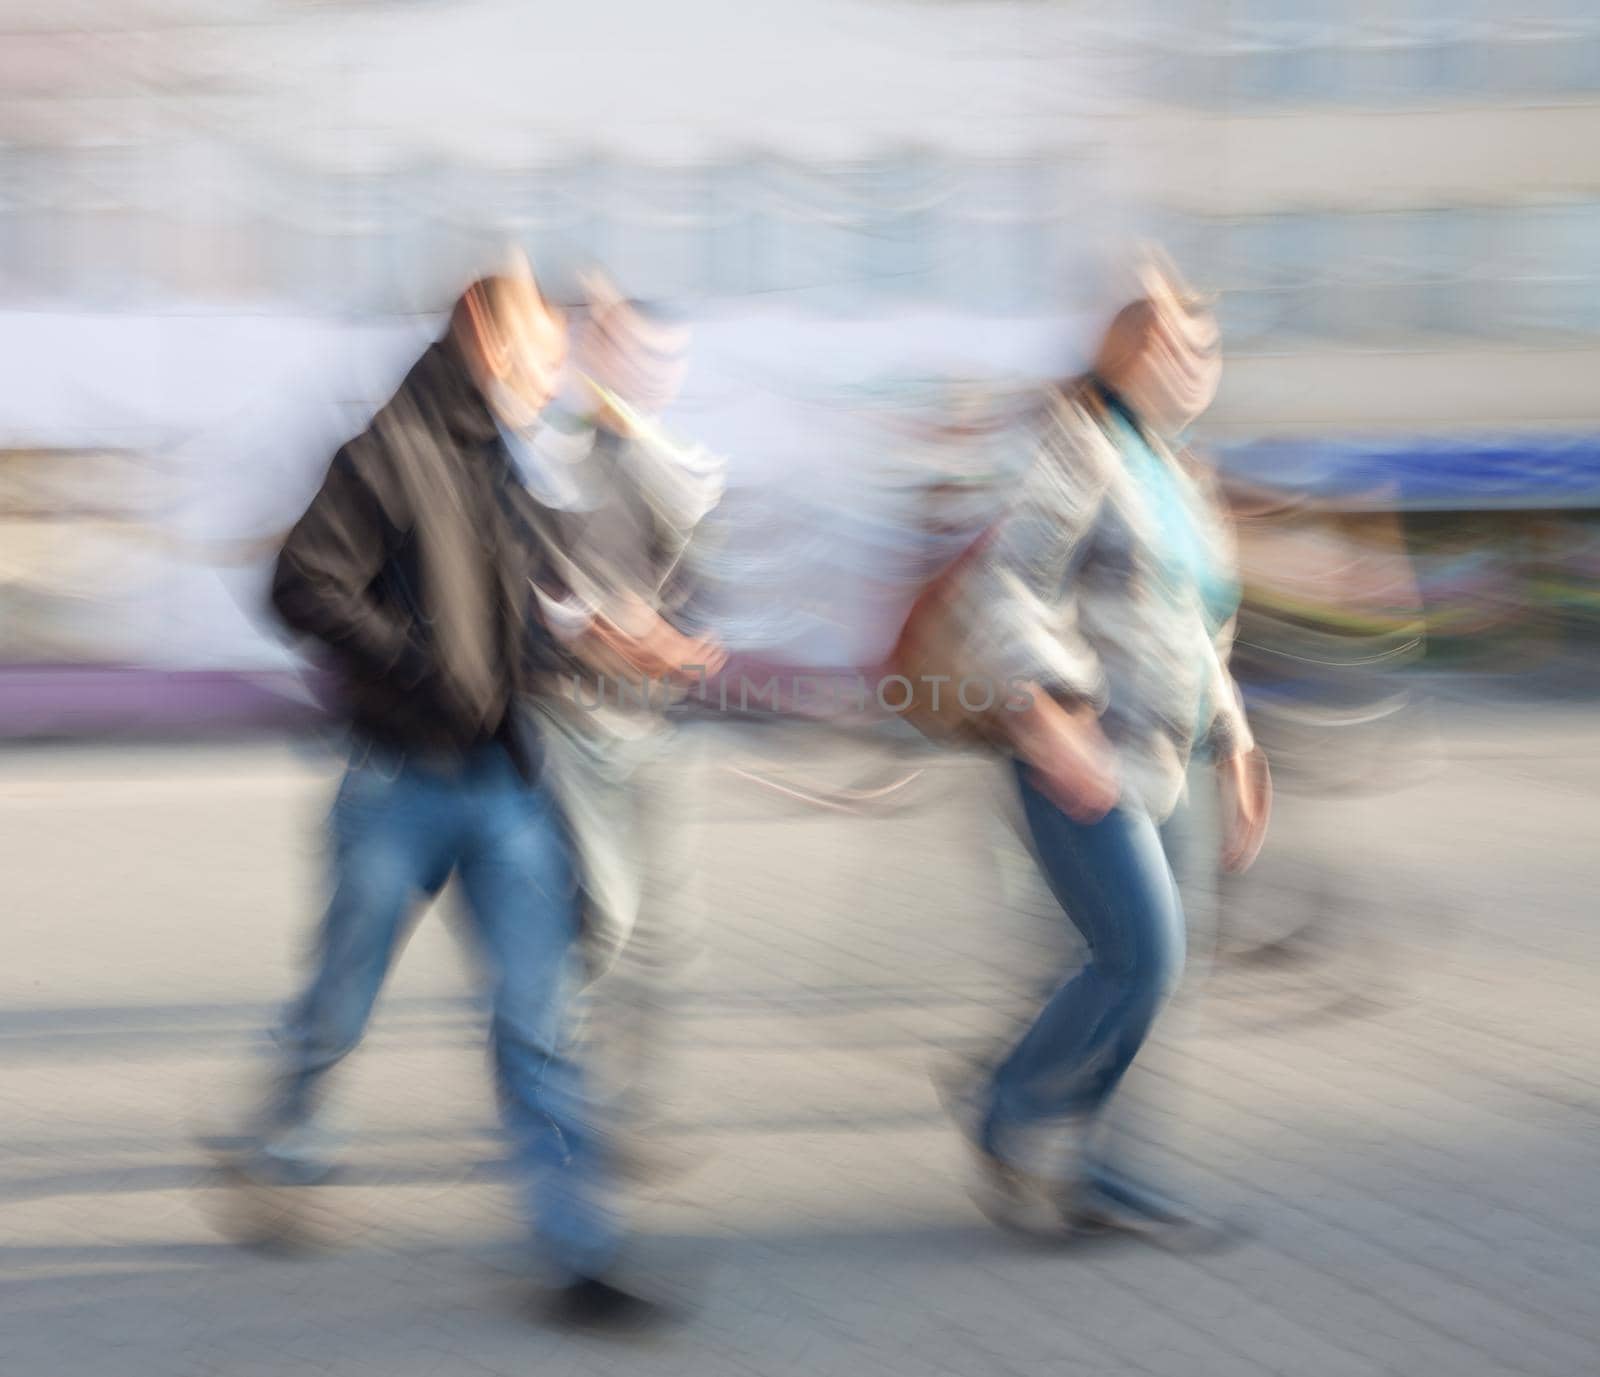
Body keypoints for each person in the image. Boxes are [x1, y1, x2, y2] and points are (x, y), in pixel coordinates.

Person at [213, 252, 658, 1326]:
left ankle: (576, 1250)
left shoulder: (504, 465)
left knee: (535, 1021)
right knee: (338, 1004)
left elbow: (509, 639)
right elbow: (298, 583)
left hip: (502, 785)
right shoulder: (386, 451)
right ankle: (281, 1137)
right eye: (541, 354)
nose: (553, 377)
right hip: (393, 788)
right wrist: (418, 668)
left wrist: (600, 651)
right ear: (482, 334)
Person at [944, 263, 1271, 1240]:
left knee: (1167, 972)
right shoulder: (1077, 448)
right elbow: (1012, 584)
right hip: (1084, 752)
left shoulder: (1182, 476)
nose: (1195, 363)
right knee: (1142, 954)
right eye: (1176, 342)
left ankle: (1099, 1172)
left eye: (1206, 348)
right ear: (1129, 348)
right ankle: (1009, 1106)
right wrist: (1045, 713)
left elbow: (1203, 627)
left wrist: (1237, 740)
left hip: (1171, 758)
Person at [493, 267, 728, 1177]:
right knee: (603, 923)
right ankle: (550, 1092)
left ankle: (626, 1116)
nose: (655, 368)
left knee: (670, 936)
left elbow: (698, 582)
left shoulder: (677, 464)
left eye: (669, 355)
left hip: (655, 727)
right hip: (569, 724)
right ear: (592, 347)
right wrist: (616, 638)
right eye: (635, 346)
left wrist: (686, 643)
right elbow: (538, 591)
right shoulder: (550, 454)